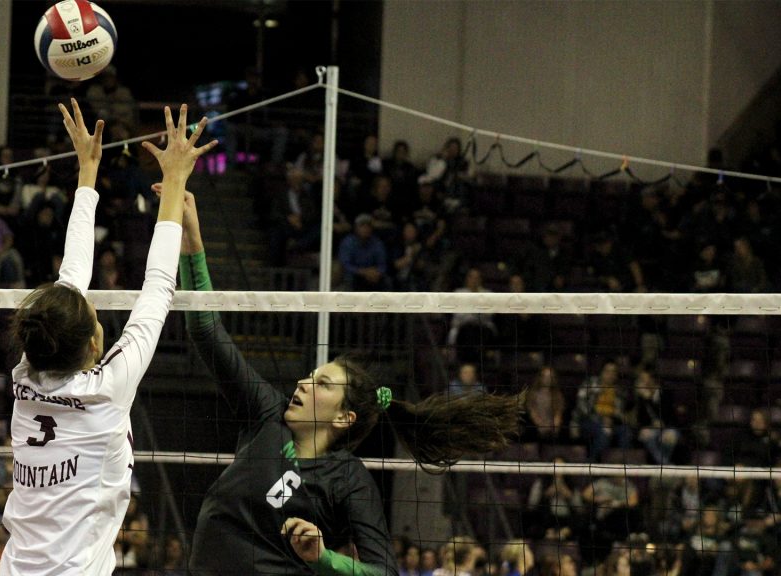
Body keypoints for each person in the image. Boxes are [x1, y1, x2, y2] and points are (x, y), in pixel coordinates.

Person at [175, 184, 524, 576]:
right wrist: (191, 233)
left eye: (322, 384)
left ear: (344, 418)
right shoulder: (266, 416)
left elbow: (385, 572)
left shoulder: (348, 479)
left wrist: (323, 558)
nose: (303, 384)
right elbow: (205, 328)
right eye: (309, 377)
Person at [0, 99, 215, 576]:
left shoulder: (25, 374)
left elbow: (72, 277)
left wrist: (88, 173)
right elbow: (158, 283)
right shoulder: (105, 390)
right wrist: (175, 179)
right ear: (94, 345)